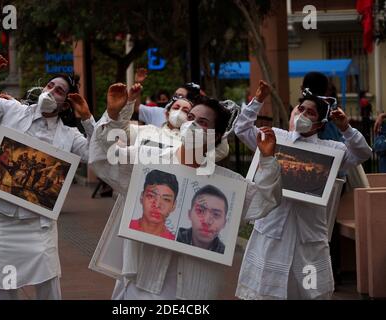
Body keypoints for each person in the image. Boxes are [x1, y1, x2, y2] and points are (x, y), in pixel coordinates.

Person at [88, 82, 282, 299]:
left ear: (216, 136)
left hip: (194, 291)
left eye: (202, 122)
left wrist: (267, 161)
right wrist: (113, 116)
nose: (192, 125)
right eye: (191, 118)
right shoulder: (146, 160)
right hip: (143, 284)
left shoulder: (228, 184)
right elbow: (103, 159)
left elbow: (265, 199)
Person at [0, 55, 93, 300]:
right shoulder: (12, 110)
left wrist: (87, 119)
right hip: (3, 221)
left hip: (38, 226)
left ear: (65, 104)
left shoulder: (70, 135)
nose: (51, 91)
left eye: (60, 91)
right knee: (3, 286)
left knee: (48, 286)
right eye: (50, 86)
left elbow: (97, 156)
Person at [234, 80, 372, 300]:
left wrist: (345, 127)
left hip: (308, 234)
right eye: (301, 109)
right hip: (272, 228)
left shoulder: (332, 150)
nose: (304, 114)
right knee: (265, 292)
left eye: (312, 112)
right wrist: (258, 99)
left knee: (311, 291)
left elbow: (363, 153)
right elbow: (241, 128)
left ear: (319, 123)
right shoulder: (275, 137)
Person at [176, 185, 227, 253]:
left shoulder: (224, 254)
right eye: (200, 211)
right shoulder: (172, 238)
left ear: (224, 223)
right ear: (190, 214)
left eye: (216, 214)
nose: (206, 221)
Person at [130, 169, 178, 240]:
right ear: (141, 197)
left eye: (166, 199)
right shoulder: (127, 227)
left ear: (173, 206)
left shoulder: (172, 242)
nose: (157, 205)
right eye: (151, 196)